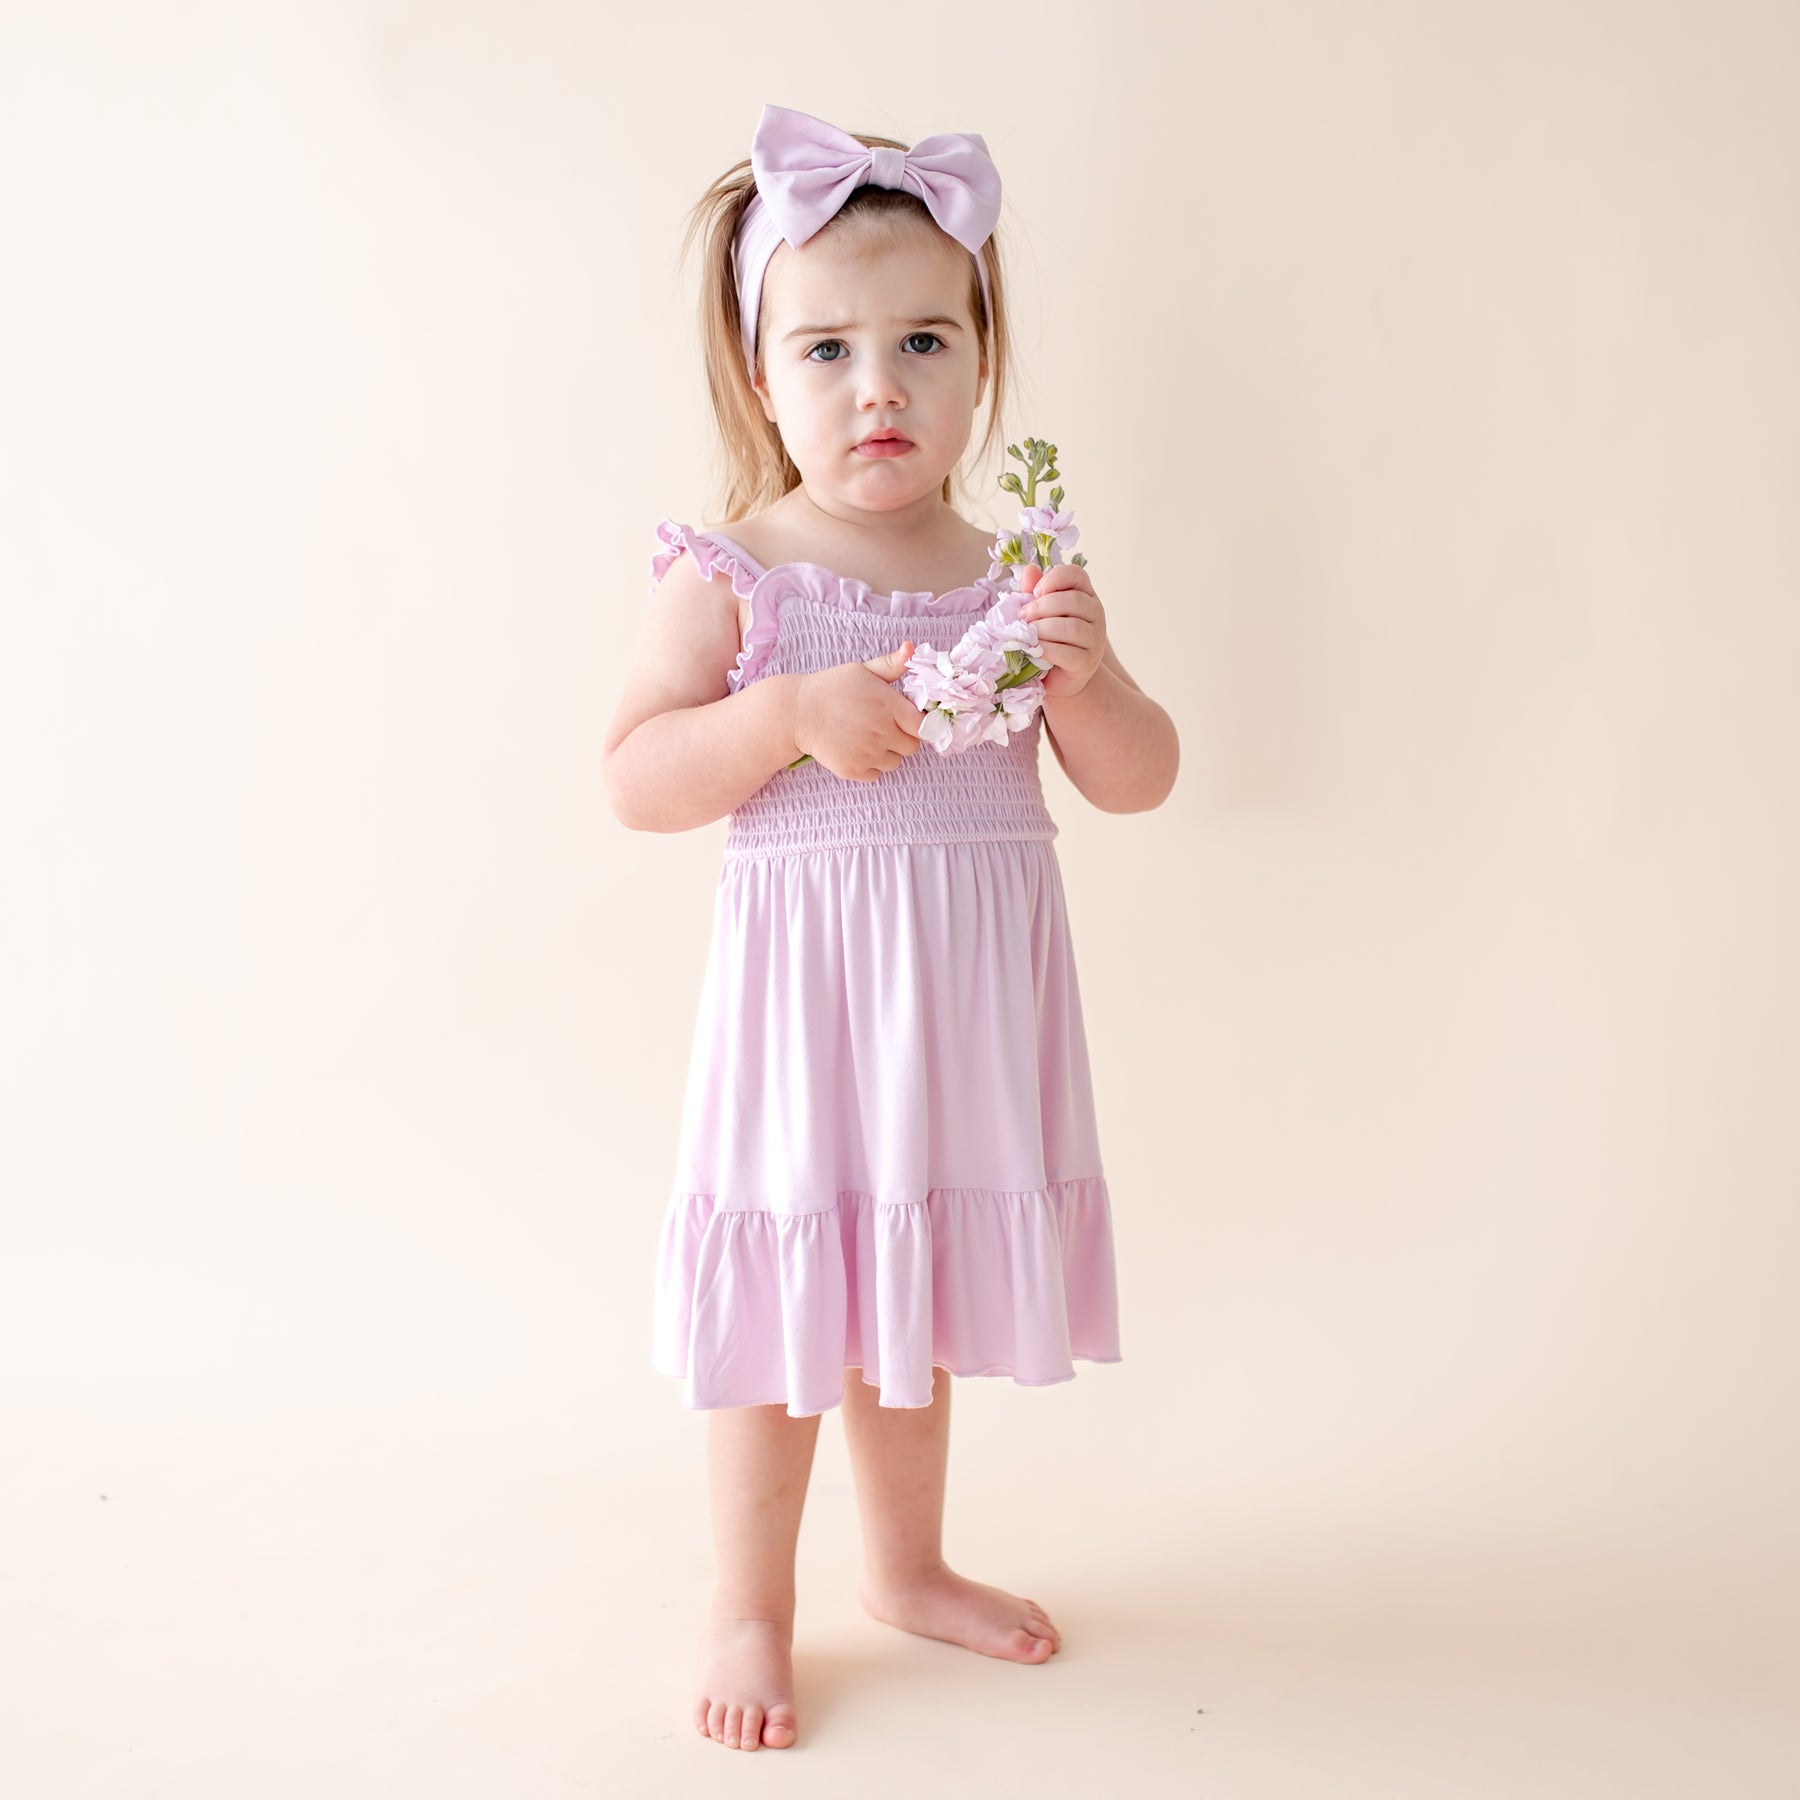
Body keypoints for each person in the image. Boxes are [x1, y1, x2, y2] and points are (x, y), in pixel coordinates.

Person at [603, 101, 1179, 1754]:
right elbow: (634, 776)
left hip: (953, 1023)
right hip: (808, 1020)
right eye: (830, 349)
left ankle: (907, 1565)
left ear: (982, 360)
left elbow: (1138, 779)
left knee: (903, 1302)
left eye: (925, 340)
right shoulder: (742, 577)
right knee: (790, 1299)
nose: (881, 388)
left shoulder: (1015, 577)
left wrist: (1089, 677)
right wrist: (780, 714)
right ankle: (751, 1601)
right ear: (759, 372)